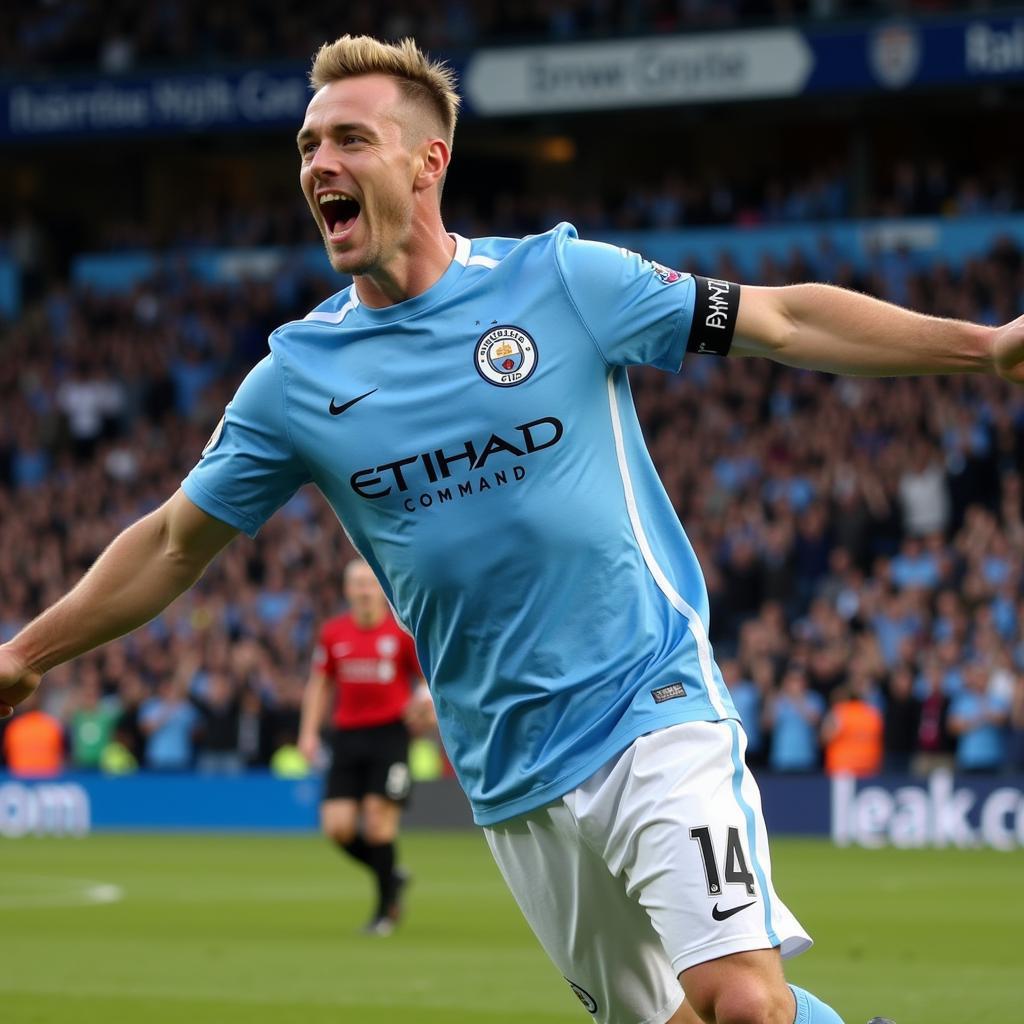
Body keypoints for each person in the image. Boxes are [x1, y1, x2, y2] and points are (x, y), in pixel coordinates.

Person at [4, 33, 1023, 1024]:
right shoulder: (293, 381)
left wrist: (980, 349)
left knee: (742, 1000)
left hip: (648, 703)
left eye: (349, 139)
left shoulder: (562, 282)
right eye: (308, 146)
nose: (320, 163)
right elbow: (176, 540)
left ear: (427, 160)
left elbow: (784, 322)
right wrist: (29, 652)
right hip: (508, 771)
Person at [298, 557, 432, 936]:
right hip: (347, 735)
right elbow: (320, 684)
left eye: (369, 583)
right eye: (356, 584)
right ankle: (390, 874)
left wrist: (424, 706)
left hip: (390, 735)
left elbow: (425, 678)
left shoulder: (399, 633)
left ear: (380, 588)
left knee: (377, 823)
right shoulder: (334, 633)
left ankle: (384, 910)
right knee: (337, 828)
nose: (363, 590)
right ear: (347, 591)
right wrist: (308, 733)